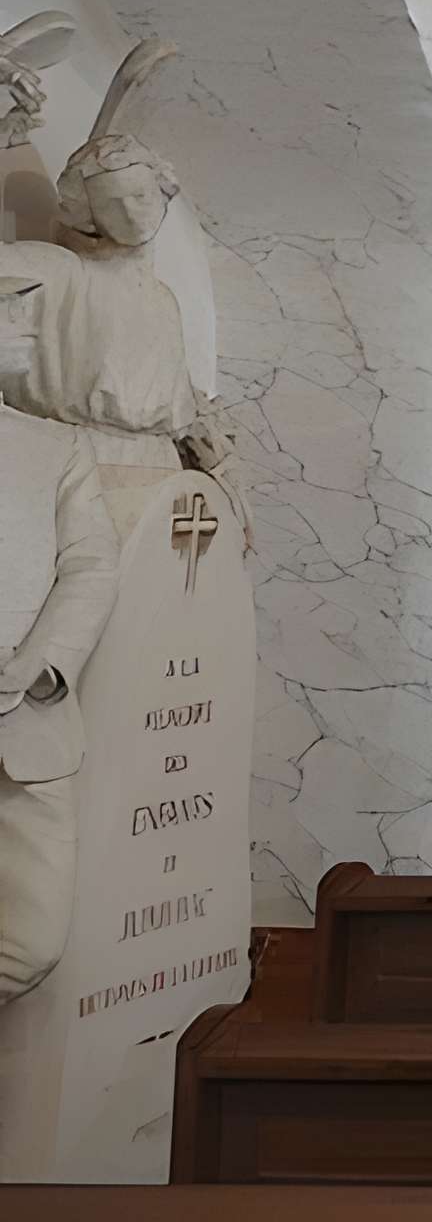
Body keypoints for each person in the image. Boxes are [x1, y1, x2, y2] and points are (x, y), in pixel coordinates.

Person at [0, 306, 122, 1003]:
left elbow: (91, 565)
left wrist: (42, 662)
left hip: (28, 727)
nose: (25, 327)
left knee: (30, 946)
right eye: (4, 312)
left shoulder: (54, 447)